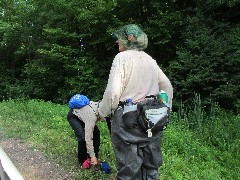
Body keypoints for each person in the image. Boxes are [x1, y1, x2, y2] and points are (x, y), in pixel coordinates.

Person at [98, 24, 173, 179]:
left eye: (119, 38)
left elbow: (113, 92)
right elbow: (166, 86)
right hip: (152, 118)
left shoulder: (122, 58)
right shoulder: (150, 60)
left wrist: (103, 112)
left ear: (129, 38)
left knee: (129, 170)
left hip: (128, 119)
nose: (117, 41)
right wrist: (165, 107)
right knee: (151, 168)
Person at [67, 100, 100, 167]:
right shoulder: (92, 116)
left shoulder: (104, 108)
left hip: (84, 116)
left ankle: (93, 158)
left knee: (96, 133)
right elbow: (88, 138)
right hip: (74, 116)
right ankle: (82, 161)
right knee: (83, 137)